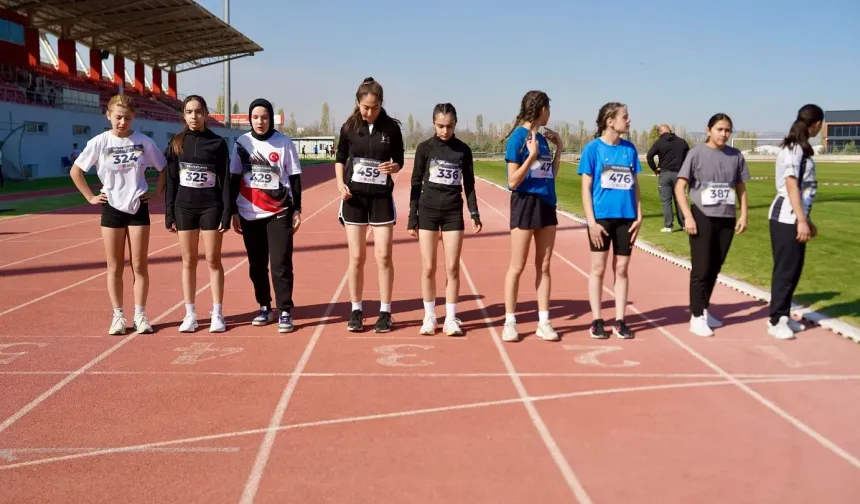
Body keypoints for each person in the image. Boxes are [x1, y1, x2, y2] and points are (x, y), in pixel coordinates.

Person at [69, 94, 167, 335]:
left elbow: (164, 169)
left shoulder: (144, 142)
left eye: (128, 118)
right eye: (118, 117)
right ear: (108, 115)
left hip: (137, 207)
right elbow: (76, 172)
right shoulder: (99, 142)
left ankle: (141, 315)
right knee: (114, 266)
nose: (123, 122)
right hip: (111, 208)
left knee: (139, 265)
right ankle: (118, 317)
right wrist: (91, 197)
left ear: (134, 118)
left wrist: (156, 195)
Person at [335, 77, 405, 333]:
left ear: (381, 104)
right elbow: (340, 157)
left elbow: (399, 160)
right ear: (358, 103)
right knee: (356, 257)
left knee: (384, 256)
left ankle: (385, 312)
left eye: (374, 108)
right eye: (365, 107)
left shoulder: (392, 128)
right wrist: (339, 184)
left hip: (381, 199)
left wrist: (394, 166)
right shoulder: (349, 126)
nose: (369, 112)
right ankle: (356, 310)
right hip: (353, 199)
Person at [408, 103, 482, 336]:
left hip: (452, 213)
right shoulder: (424, 148)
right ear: (433, 123)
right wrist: (413, 218)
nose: (444, 131)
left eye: (449, 126)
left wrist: (474, 212)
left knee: (452, 267)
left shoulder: (463, 151)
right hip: (427, 210)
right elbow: (415, 183)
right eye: (440, 126)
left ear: (455, 125)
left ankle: (451, 318)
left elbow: (468, 185)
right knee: (428, 267)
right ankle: (430, 316)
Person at [229, 98, 303, 333]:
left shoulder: (283, 143)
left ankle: (284, 311)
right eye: (255, 117)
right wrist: (232, 210)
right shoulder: (242, 143)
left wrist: (297, 208)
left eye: (264, 117)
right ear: (250, 119)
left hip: (279, 211)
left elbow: (294, 177)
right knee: (257, 265)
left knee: (280, 263)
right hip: (249, 212)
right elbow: (233, 178)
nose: (260, 122)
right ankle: (264, 306)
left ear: (271, 118)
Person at [675, 113, 750, 337]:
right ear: (709, 130)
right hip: (702, 216)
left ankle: (704, 310)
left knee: (715, 267)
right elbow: (680, 187)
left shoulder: (735, 155)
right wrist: (687, 216)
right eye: (719, 129)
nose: (724, 134)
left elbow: (741, 188)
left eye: (727, 130)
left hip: (726, 218)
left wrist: (743, 214)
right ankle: (696, 316)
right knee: (701, 268)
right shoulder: (696, 153)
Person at [164, 94, 231, 333]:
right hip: (185, 208)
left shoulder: (218, 143)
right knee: (188, 261)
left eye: (199, 112)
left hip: (211, 207)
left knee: (213, 259)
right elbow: (171, 181)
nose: (194, 116)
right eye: (189, 112)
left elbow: (225, 180)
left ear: (205, 114)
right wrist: (169, 213)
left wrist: (226, 212)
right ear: (184, 115)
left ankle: (217, 313)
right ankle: (190, 313)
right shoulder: (176, 143)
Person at [500, 90, 563, 343]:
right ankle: (510, 321)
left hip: (547, 203)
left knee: (544, 266)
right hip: (525, 203)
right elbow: (513, 181)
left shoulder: (544, 139)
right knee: (517, 266)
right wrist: (532, 156)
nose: (550, 113)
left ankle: (544, 322)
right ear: (541, 110)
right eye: (549, 108)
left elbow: (550, 175)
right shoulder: (517, 138)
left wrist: (559, 148)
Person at [578, 102, 642, 340]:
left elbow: (634, 185)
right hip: (601, 219)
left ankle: (620, 320)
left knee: (622, 269)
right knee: (598, 268)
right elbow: (585, 188)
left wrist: (640, 213)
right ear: (610, 121)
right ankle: (597, 320)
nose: (629, 120)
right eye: (625, 116)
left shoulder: (629, 150)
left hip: (626, 218)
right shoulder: (592, 149)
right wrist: (591, 221)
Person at [766, 104, 824, 340]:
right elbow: (791, 184)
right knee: (785, 270)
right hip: (785, 216)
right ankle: (775, 320)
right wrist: (800, 219)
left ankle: (784, 315)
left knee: (795, 269)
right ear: (817, 124)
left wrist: (807, 220)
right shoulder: (793, 149)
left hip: (797, 216)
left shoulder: (802, 149)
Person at [646, 124, 689, 232]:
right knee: (680, 200)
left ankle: (668, 226)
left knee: (666, 201)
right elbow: (689, 158)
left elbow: (649, 156)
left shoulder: (659, 142)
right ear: (670, 130)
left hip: (665, 174)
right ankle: (684, 224)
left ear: (660, 132)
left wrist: (654, 169)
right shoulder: (682, 142)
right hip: (679, 175)